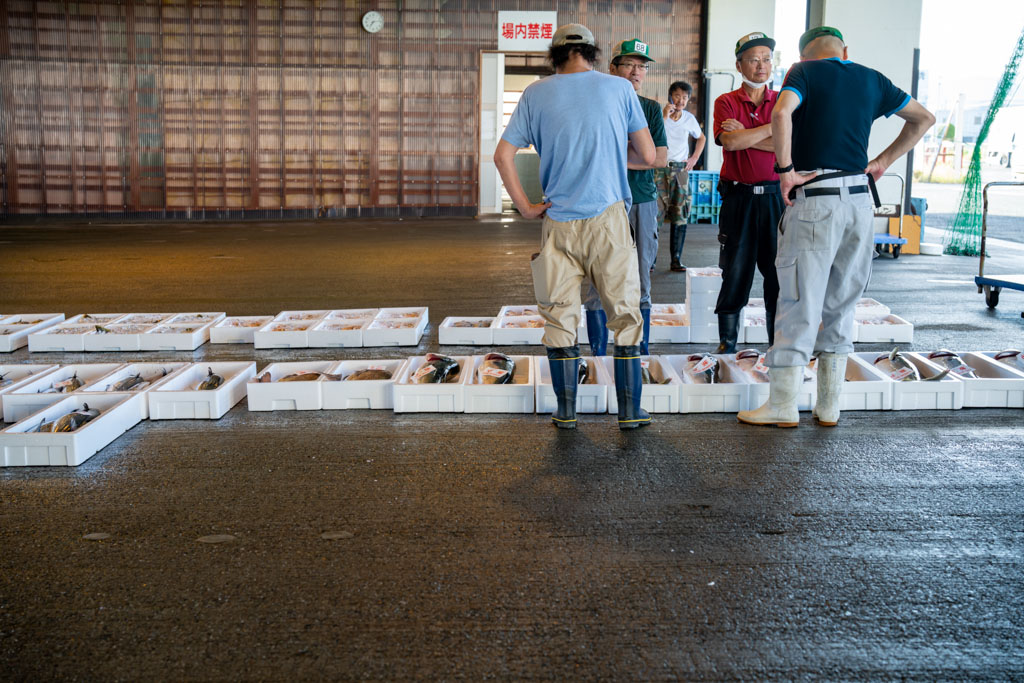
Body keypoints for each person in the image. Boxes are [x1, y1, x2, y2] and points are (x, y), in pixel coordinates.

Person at [737, 26, 934, 428]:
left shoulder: (803, 72)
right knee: (842, 304)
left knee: (799, 301)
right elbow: (923, 118)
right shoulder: (872, 78)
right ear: (845, 50)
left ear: (803, 55)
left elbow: (781, 113)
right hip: (860, 204)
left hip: (817, 201)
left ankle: (783, 405)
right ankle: (828, 406)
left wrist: (786, 171)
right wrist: (882, 161)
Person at [494, 23, 657, 430]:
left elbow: (502, 156)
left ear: (554, 55)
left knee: (559, 318)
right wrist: (609, 152)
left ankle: (566, 411)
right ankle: (630, 411)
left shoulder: (535, 93)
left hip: (558, 221)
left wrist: (526, 208)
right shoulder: (619, 88)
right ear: (593, 52)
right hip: (609, 221)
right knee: (625, 315)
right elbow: (649, 155)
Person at [583, 38, 669, 358]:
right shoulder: (596, 105)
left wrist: (613, 157)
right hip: (602, 199)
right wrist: (636, 155)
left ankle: (639, 354)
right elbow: (588, 153)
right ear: (612, 68)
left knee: (642, 277)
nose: (636, 71)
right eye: (629, 64)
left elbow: (660, 158)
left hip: (642, 198)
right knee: (598, 278)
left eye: (642, 66)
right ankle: (597, 356)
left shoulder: (650, 108)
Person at [712, 31, 784, 355]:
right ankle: (727, 344)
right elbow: (730, 142)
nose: (761, 66)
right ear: (739, 65)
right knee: (735, 271)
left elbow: (790, 147)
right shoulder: (725, 102)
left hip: (775, 199)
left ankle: (777, 345)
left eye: (766, 59)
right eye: (754, 60)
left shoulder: (782, 101)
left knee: (778, 274)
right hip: (738, 198)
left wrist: (748, 134)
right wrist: (773, 129)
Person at [654, 81, 705, 272]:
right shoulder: (660, 115)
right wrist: (664, 116)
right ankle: (650, 260)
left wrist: (694, 158)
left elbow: (701, 138)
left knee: (680, 213)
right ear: (670, 96)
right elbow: (650, 135)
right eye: (677, 96)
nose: (681, 100)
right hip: (658, 169)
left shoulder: (689, 119)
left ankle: (676, 259)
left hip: (680, 170)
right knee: (654, 214)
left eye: (685, 97)